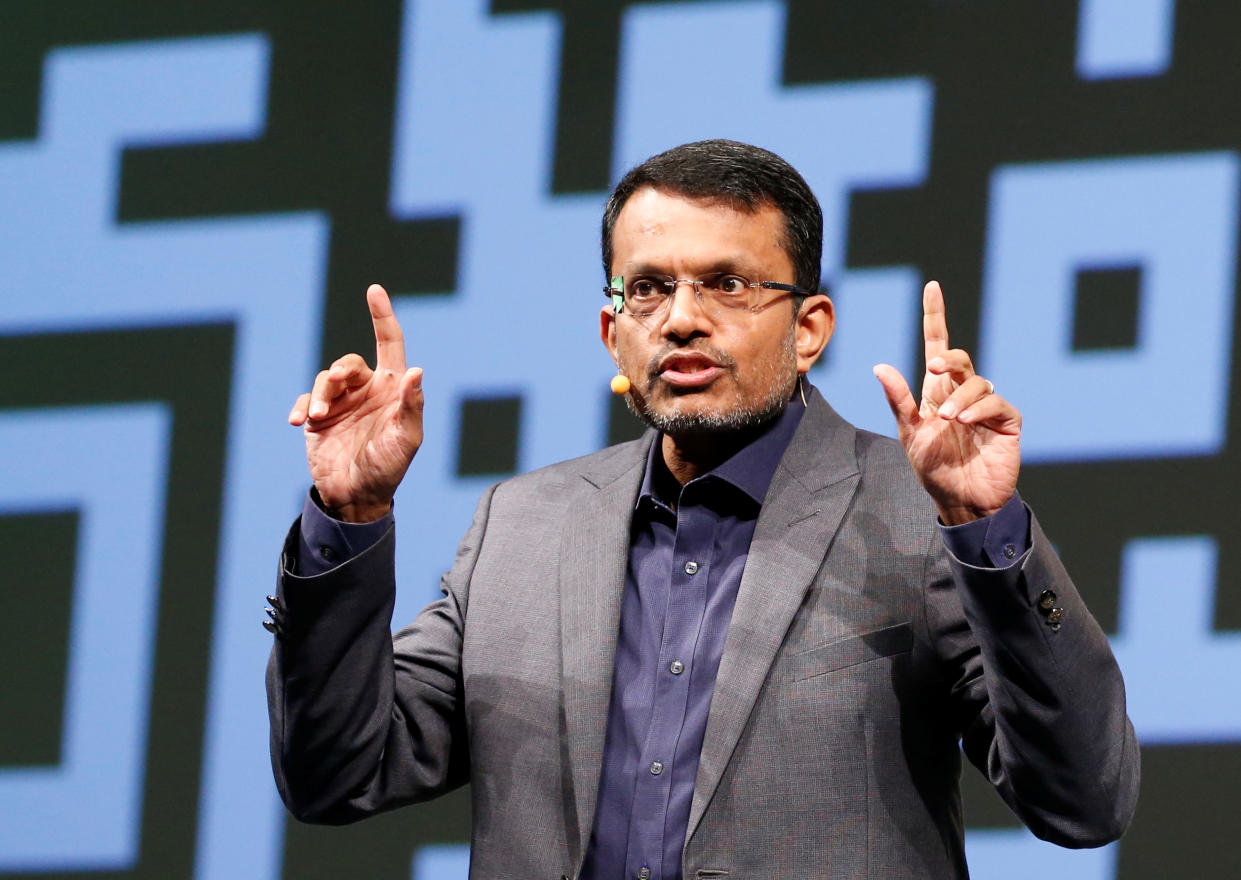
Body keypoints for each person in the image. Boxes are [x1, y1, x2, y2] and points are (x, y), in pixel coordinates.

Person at [266, 140, 1139, 880]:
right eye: (645, 289)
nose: (680, 319)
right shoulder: (521, 527)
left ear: (809, 330)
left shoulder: (918, 520)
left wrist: (985, 533)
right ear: (613, 333)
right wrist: (350, 514)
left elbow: (1082, 801)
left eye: (726, 284)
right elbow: (337, 773)